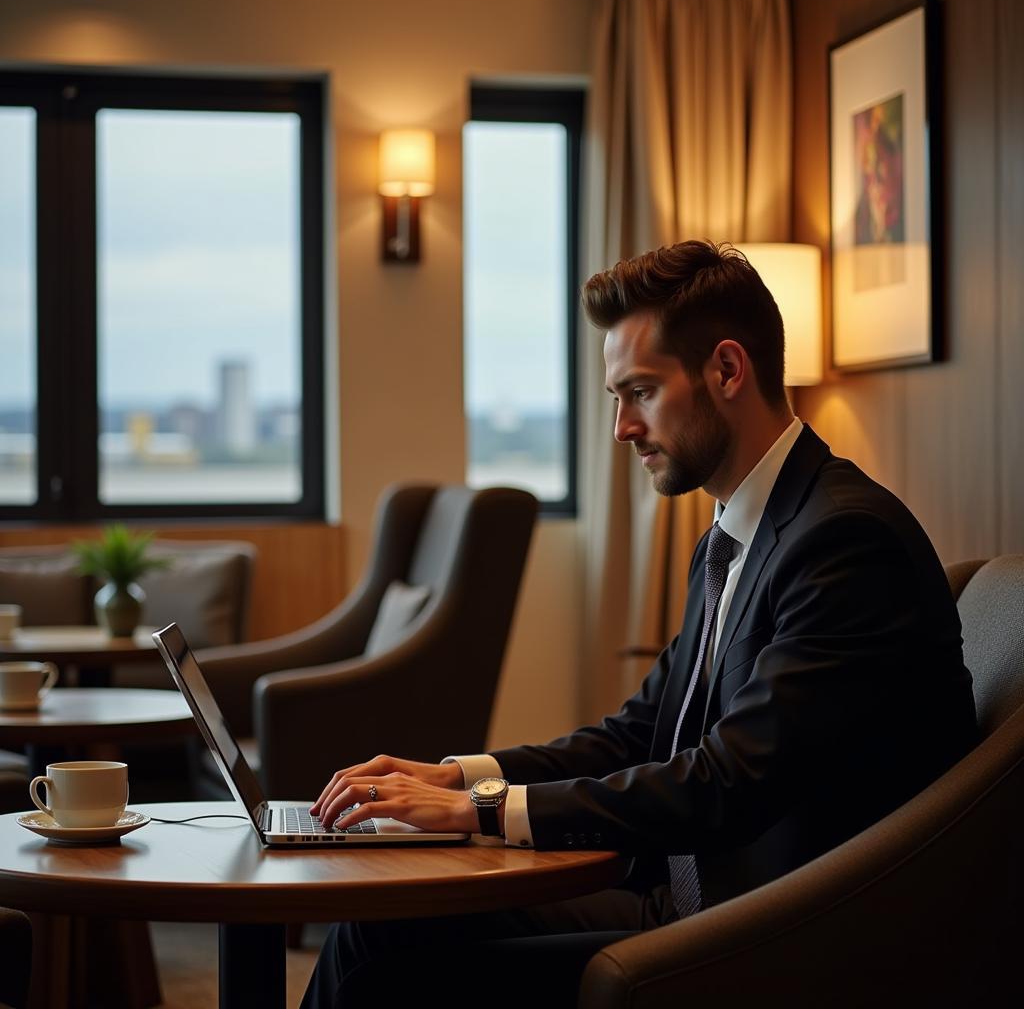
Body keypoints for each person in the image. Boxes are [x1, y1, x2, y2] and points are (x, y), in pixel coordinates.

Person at [301, 240, 977, 1008]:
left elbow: (728, 779)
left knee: (394, 978)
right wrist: (460, 776)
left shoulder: (845, 542)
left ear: (727, 371)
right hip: (694, 898)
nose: (623, 428)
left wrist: (478, 814)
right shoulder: (734, 538)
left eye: (641, 393)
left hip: (776, 936)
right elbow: (638, 732)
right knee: (374, 926)